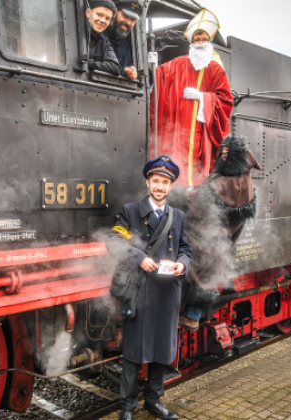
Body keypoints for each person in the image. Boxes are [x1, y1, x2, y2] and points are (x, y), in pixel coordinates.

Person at [107, 155, 192, 420]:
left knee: (160, 350)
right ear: (147, 182)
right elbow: (114, 241)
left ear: (170, 186)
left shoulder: (178, 216)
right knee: (133, 352)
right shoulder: (130, 211)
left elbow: (186, 249)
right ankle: (127, 407)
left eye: (165, 182)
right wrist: (139, 258)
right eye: (156, 181)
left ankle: (154, 402)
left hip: (167, 292)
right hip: (139, 292)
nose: (160, 187)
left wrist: (182, 265)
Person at [179, 134, 261, 330]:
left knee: (197, 266)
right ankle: (191, 314)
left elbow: (201, 201)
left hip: (212, 238)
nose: (223, 156)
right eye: (222, 152)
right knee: (208, 272)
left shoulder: (232, 181)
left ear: (235, 155)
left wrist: (179, 193)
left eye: (227, 153)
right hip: (221, 238)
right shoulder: (242, 177)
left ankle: (190, 316)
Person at [152, 8, 233, 186]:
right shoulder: (177, 65)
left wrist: (203, 97)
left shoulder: (216, 69)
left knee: (198, 167)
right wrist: (152, 63)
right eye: (197, 39)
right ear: (191, 42)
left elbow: (226, 100)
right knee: (178, 162)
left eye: (204, 39)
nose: (200, 43)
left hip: (202, 130)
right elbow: (160, 75)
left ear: (209, 42)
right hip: (178, 128)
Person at [106, 1, 141, 80]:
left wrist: (131, 73)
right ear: (115, 12)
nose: (128, 23)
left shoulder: (133, 43)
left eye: (132, 20)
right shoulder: (100, 32)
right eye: (125, 16)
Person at [86, 0, 121, 75]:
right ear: (88, 13)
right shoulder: (75, 32)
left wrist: (89, 63)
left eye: (107, 18)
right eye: (99, 15)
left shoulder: (104, 41)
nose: (103, 21)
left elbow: (115, 67)